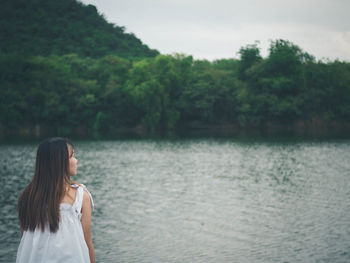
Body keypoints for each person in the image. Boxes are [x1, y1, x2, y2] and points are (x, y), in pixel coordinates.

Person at [16, 137, 95, 263]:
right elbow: (88, 243)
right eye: (72, 156)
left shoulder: (27, 196)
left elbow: (24, 239)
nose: (76, 160)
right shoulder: (80, 196)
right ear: (59, 162)